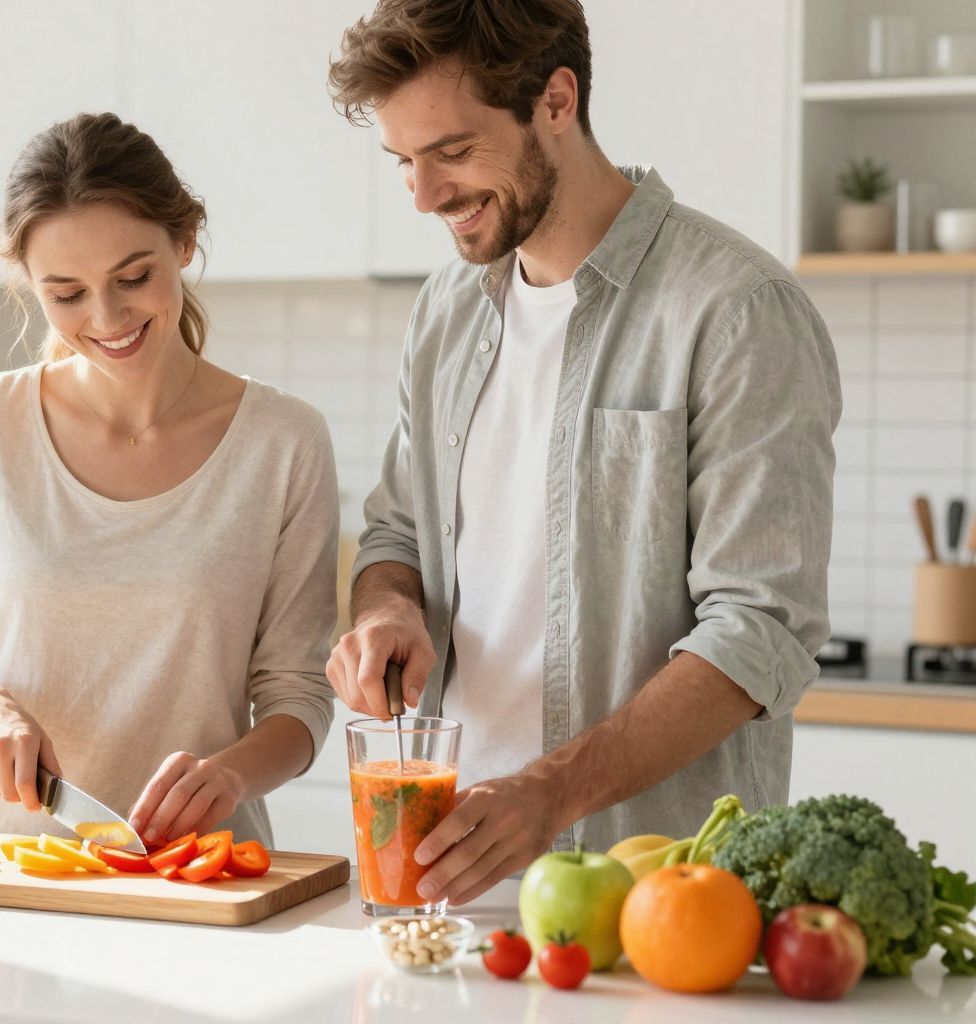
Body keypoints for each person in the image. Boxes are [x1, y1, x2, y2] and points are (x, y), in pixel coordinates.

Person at [323, 0, 841, 907]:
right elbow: (397, 532)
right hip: (441, 892)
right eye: (404, 161)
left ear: (555, 101)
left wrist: (550, 791)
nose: (424, 195)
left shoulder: (734, 308)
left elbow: (758, 631)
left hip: (661, 906)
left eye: (451, 151)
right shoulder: (446, 311)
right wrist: (386, 611)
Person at [0, 112, 338, 848]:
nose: (107, 318)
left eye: (133, 277)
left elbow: (299, 696)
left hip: (200, 870)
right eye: (66, 294)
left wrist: (233, 774)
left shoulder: (283, 441)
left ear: (185, 241)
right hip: (7, 869)